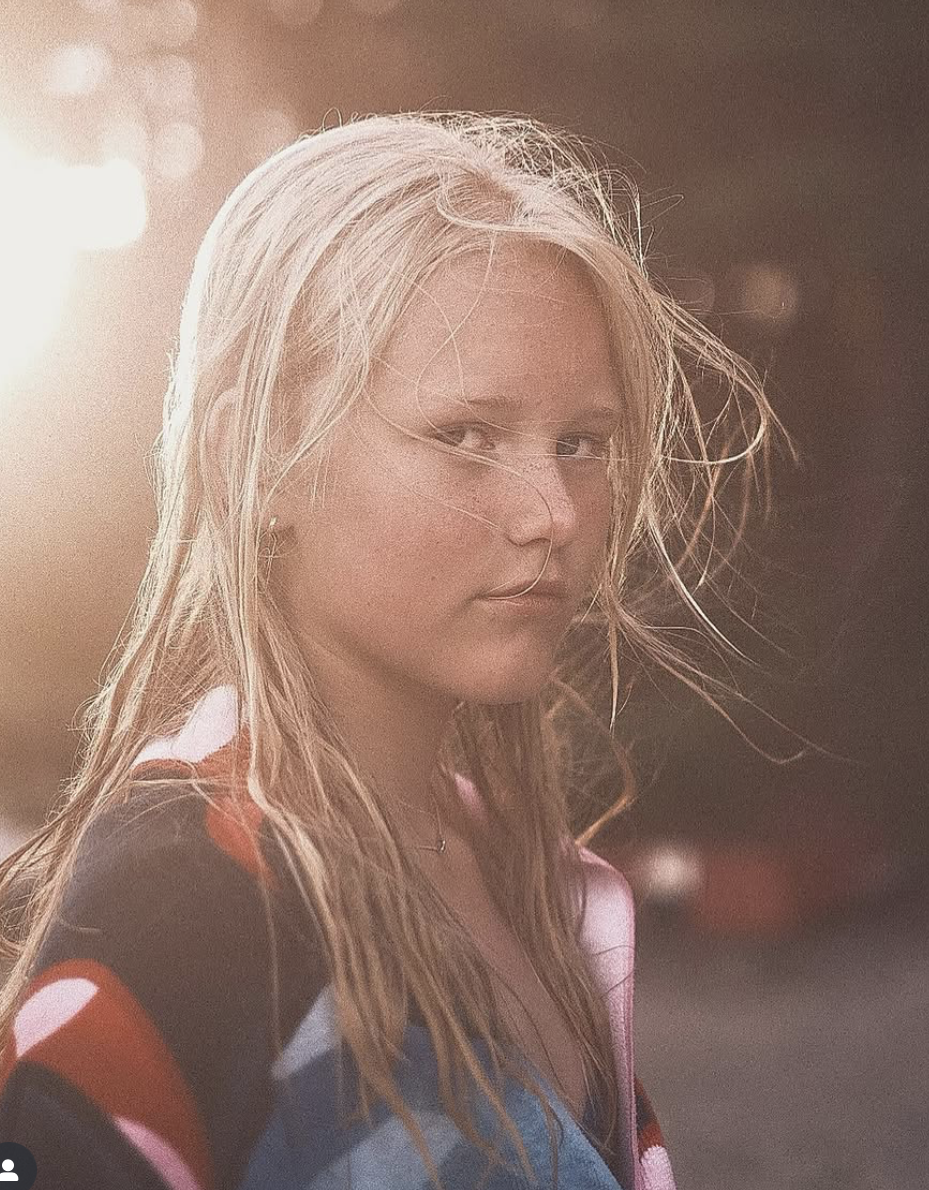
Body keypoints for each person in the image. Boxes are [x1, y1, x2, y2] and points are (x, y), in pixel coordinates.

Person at [0, 112, 796, 1189]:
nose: (554, 512)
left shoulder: (532, 881)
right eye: (462, 435)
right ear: (262, 459)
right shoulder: (191, 893)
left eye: (581, 443)